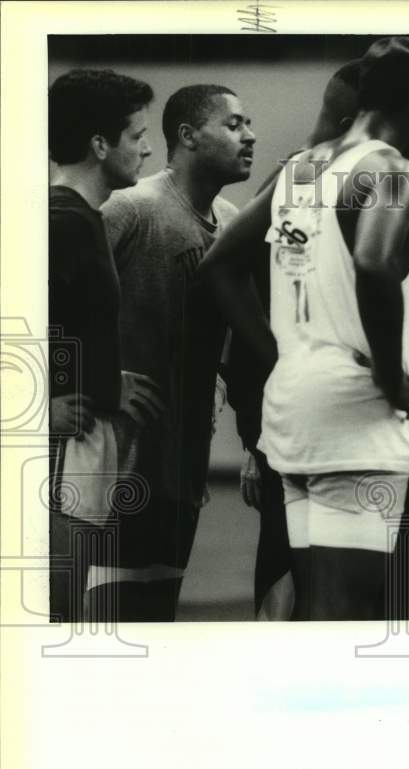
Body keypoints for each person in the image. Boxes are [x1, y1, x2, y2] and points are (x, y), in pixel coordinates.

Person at [253, 36, 409, 620]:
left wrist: (282, 348)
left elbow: (220, 266)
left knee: (317, 603)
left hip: (294, 404)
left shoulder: (302, 166)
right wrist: (389, 373)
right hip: (355, 411)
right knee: (346, 610)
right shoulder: (391, 168)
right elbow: (374, 262)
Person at [210, 60, 363, 620]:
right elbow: (227, 270)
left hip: (351, 418)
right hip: (298, 414)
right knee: (294, 554)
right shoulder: (300, 177)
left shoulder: (386, 182)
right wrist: (270, 387)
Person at [99, 83, 256, 620]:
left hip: (181, 458)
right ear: (188, 136)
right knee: (103, 616)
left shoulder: (232, 222)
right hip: (117, 456)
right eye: (234, 124)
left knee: (158, 611)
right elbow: (52, 307)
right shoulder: (130, 208)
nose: (249, 135)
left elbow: (231, 345)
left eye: (249, 123)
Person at [47, 68, 164, 622]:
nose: (147, 149)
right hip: (56, 456)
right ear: (100, 144)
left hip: (82, 450)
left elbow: (71, 327)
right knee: (58, 615)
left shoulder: (81, 220)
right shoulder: (60, 221)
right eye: (137, 136)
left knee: (74, 610)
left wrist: (105, 376)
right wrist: (35, 409)